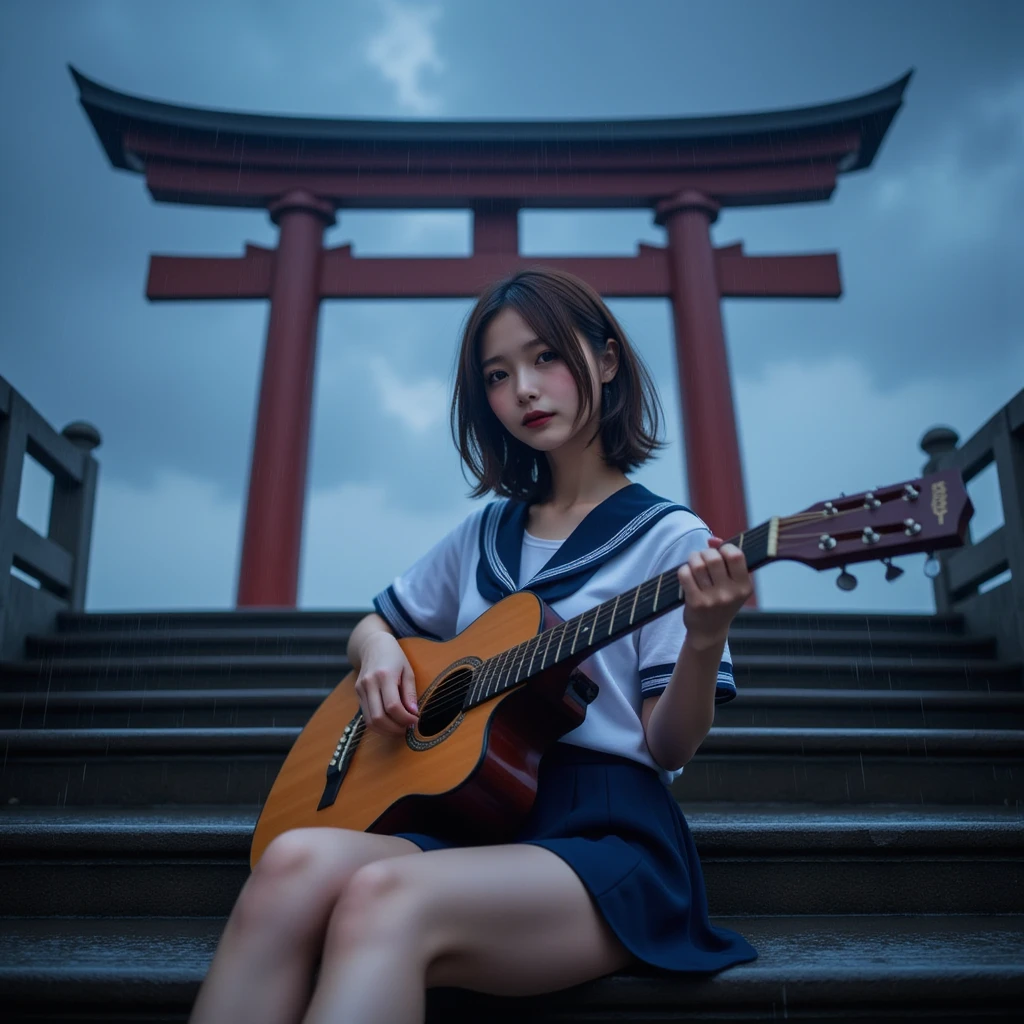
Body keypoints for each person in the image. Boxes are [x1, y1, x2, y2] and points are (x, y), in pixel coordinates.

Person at [188, 267, 758, 1024]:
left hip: (606, 833)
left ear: (608, 358)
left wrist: (704, 635)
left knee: (381, 896)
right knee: (291, 862)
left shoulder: (672, 540)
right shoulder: (484, 534)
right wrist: (380, 653)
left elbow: (669, 742)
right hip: (477, 818)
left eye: (546, 356)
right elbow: (378, 622)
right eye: (499, 373)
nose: (524, 387)